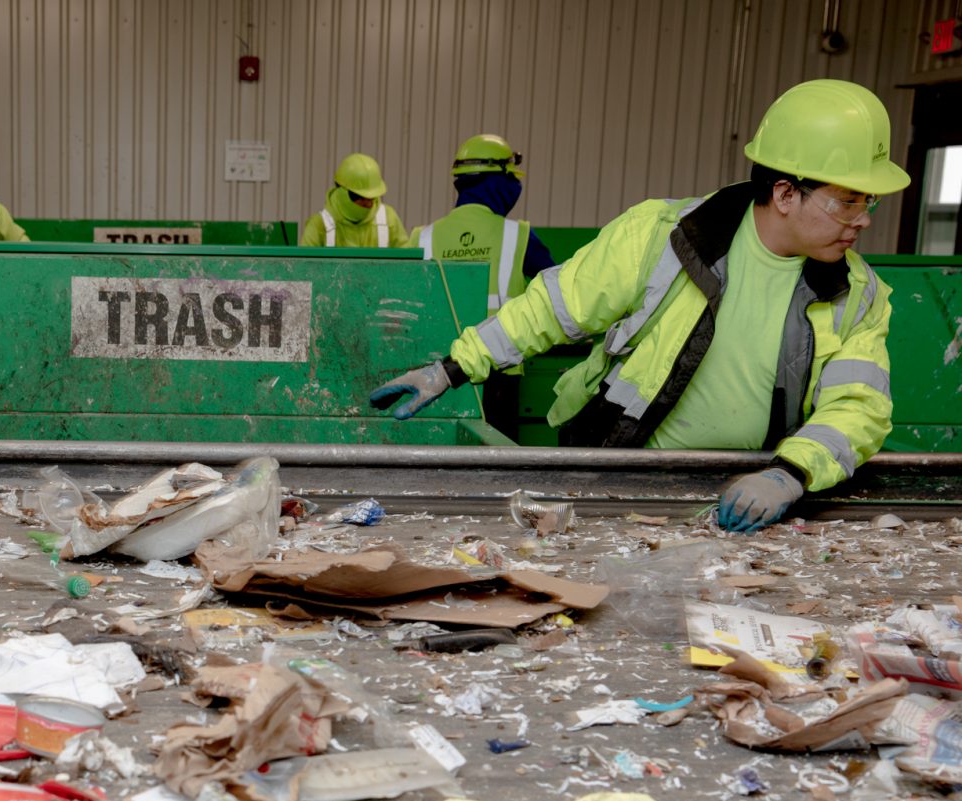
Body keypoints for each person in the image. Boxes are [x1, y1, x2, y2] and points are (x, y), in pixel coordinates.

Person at [369, 79, 908, 533]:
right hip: (623, 473)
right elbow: (554, 307)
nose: (863, 219)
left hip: (748, 494)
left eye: (870, 201)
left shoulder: (858, 294)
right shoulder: (665, 236)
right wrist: (451, 368)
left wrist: (788, 474)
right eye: (848, 201)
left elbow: (857, 407)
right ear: (787, 193)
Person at [406, 134, 556, 439]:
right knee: (496, 457)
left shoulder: (423, 237)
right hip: (499, 372)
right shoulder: (518, 236)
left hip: (437, 371)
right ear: (500, 182)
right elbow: (558, 291)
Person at [299, 153, 407, 248]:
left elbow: (407, 260)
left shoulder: (389, 220)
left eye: (371, 198)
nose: (367, 203)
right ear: (341, 190)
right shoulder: (319, 226)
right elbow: (303, 263)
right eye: (359, 197)